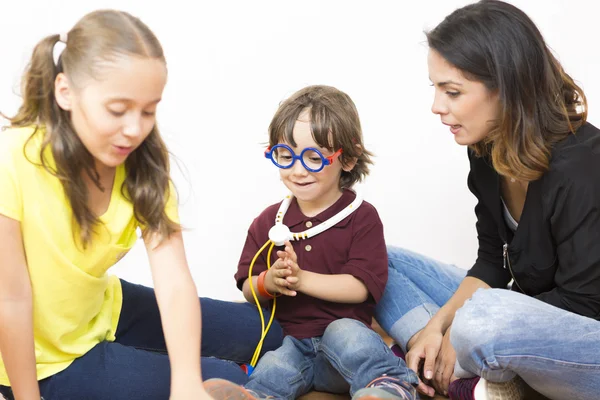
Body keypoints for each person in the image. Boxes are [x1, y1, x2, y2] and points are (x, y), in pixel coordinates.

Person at [0, 10, 282, 400]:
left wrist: (184, 382)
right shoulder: (12, 161)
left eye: (149, 110)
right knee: (228, 379)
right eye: (117, 110)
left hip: (102, 309)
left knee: (270, 333)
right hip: (43, 360)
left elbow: (174, 281)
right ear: (65, 92)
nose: (135, 129)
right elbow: (11, 300)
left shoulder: (141, 161)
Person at [373, 1, 600, 400]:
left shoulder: (584, 165)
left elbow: (583, 304)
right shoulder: (485, 149)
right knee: (379, 261)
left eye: (453, 91)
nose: (437, 106)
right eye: (436, 88)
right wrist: (436, 326)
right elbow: (493, 260)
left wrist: (463, 325)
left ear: (507, 87)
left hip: (584, 338)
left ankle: (447, 365)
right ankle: (456, 368)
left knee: (481, 321)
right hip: (518, 312)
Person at [202, 85, 419, 400]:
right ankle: (256, 396)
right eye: (285, 156)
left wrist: (301, 278)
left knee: (348, 336)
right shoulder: (269, 221)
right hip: (294, 341)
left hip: (343, 347)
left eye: (314, 157)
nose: (298, 170)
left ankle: (388, 385)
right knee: (275, 363)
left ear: (349, 158)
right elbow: (248, 287)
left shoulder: (361, 217)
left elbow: (359, 287)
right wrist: (269, 282)